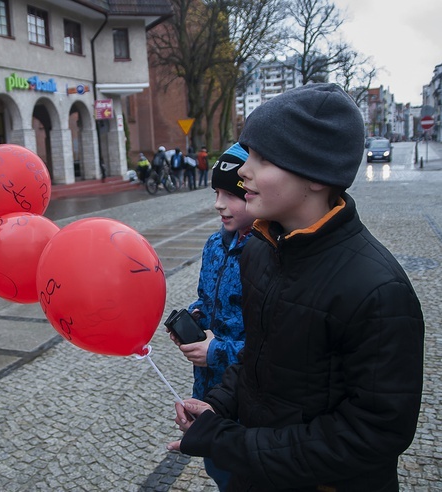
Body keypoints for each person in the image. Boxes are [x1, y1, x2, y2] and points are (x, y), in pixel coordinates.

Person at [167, 83, 425, 491]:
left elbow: (372, 434)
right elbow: (258, 360)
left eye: (263, 158)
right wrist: (219, 404)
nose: (242, 170)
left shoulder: (378, 290)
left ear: (316, 175)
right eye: (247, 153)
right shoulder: (257, 253)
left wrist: (232, 442)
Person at [168, 142, 254, 491]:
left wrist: (216, 351)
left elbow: (272, 343)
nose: (219, 203)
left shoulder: (267, 252)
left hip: (246, 395)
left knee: (241, 472)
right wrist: (194, 317)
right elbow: (209, 299)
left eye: (231, 194)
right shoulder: (214, 245)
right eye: (216, 192)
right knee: (217, 467)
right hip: (208, 387)